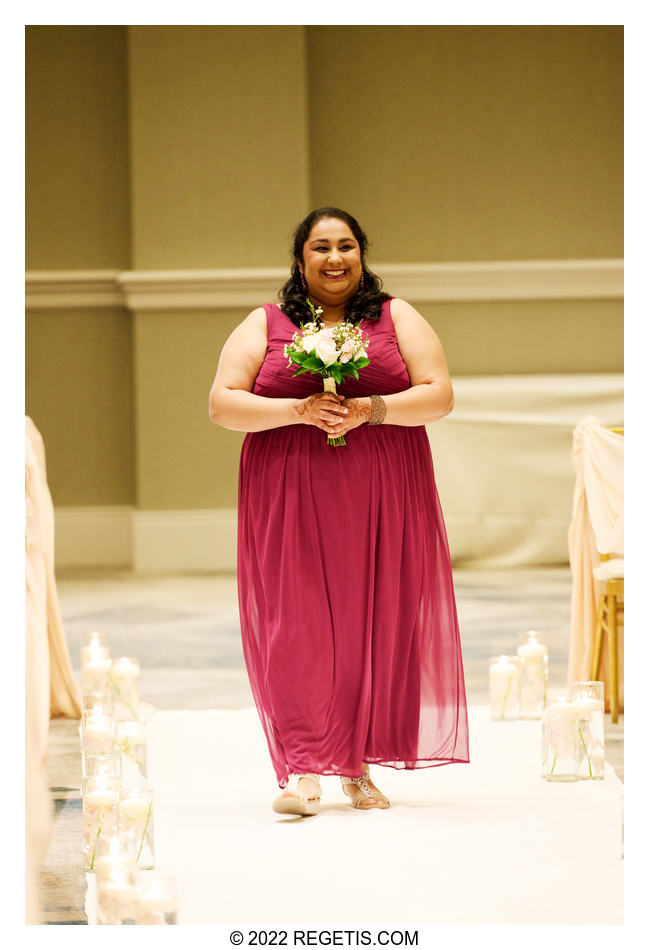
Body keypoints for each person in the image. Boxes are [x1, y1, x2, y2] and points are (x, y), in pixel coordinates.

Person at [209, 207, 469, 816]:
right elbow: (222, 403)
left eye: (346, 246)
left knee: (374, 617)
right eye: (320, 247)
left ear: (362, 254)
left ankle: (356, 765)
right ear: (300, 260)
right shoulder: (265, 322)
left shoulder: (395, 315)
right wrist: (298, 411)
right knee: (294, 624)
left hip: (380, 487)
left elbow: (439, 393)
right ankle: (302, 769)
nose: (334, 258)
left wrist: (371, 409)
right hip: (290, 491)